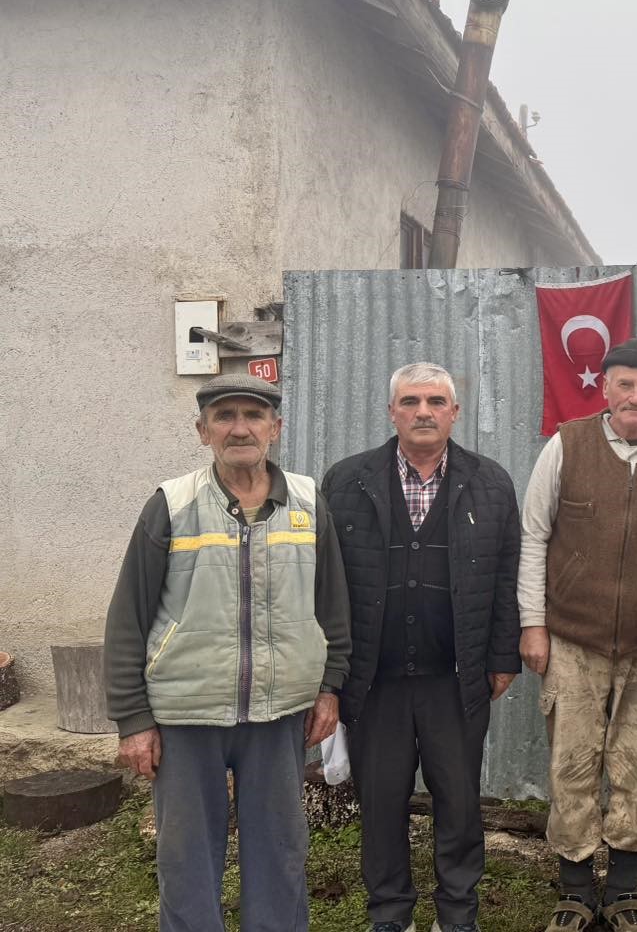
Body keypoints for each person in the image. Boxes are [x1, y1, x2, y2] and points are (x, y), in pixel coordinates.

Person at [104, 373, 350, 932]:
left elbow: (333, 608)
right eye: (225, 416)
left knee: (280, 855)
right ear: (203, 431)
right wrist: (133, 719)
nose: (240, 428)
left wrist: (329, 686)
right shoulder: (172, 504)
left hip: (279, 712)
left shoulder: (310, 503)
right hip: (187, 716)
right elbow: (128, 618)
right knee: (186, 860)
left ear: (275, 428)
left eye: (254, 415)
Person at [322, 362, 521, 932]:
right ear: (392, 412)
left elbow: (507, 573)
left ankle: (457, 916)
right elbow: (326, 582)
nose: (423, 412)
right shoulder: (347, 481)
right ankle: (391, 915)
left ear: (454, 413)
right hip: (375, 680)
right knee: (381, 805)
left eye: (436, 401)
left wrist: (503, 655)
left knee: (458, 806)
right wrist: (331, 674)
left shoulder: (490, 482)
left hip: (454, 678)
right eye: (410, 401)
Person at [519, 337, 637, 932]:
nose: (635, 396)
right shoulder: (565, 445)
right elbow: (533, 538)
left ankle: (625, 890)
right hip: (572, 642)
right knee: (573, 767)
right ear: (604, 388)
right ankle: (575, 891)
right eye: (624, 384)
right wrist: (533, 625)